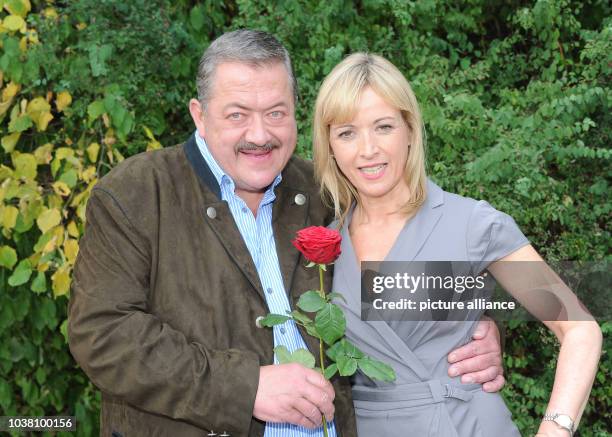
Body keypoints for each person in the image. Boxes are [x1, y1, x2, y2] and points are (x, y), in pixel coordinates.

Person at [68, 30, 505, 437]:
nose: (259, 135)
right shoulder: (136, 195)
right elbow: (102, 334)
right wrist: (245, 388)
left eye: (275, 113)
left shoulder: (328, 192)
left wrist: (472, 327)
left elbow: (390, 282)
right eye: (237, 115)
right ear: (200, 116)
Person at [312, 52, 603, 436]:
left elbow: (579, 328)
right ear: (330, 144)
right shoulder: (324, 243)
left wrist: (556, 428)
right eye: (347, 132)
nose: (367, 149)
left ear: (410, 130)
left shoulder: (471, 225)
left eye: (383, 127)